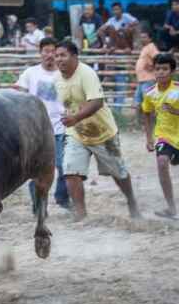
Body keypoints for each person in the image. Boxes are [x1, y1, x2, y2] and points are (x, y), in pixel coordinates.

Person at [54, 40, 141, 221]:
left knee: (119, 172)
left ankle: (132, 201)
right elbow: (69, 105)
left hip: (103, 133)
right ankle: (81, 214)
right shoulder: (57, 79)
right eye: (57, 56)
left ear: (74, 56)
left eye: (63, 55)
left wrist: (75, 118)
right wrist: (71, 119)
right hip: (77, 133)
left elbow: (97, 102)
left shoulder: (86, 73)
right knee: (70, 171)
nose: (59, 59)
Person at [142, 54, 179, 219]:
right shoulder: (149, 93)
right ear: (154, 71)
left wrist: (176, 111)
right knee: (162, 163)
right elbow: (146, 113)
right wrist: (149, 138)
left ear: (172, 71)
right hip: (163, 135)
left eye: (165, 69)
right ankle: (171, 207)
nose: (161, 72)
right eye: (158, 69)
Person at [15, 37, 71, 210]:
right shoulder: (30, 73)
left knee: (63, 166)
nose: (49, 55)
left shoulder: (64, 75)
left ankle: (62, 198)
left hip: (60, 127)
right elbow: (19, 95)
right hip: (35, 130)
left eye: (53, 52)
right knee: (36, 170)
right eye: (45, 51)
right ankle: (38, 205)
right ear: (40, 53)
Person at [134, 30, 159, 127]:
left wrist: (153, 66)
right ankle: (139, 123)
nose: (142, 39)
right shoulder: (145, 48)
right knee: (138, 102)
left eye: (144, 37)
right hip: (141, 80)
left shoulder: (151, 47)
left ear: (150, 38)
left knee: (149, 102)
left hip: (148, 79)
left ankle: (152, 123)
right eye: (141, 37)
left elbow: (158, 58)